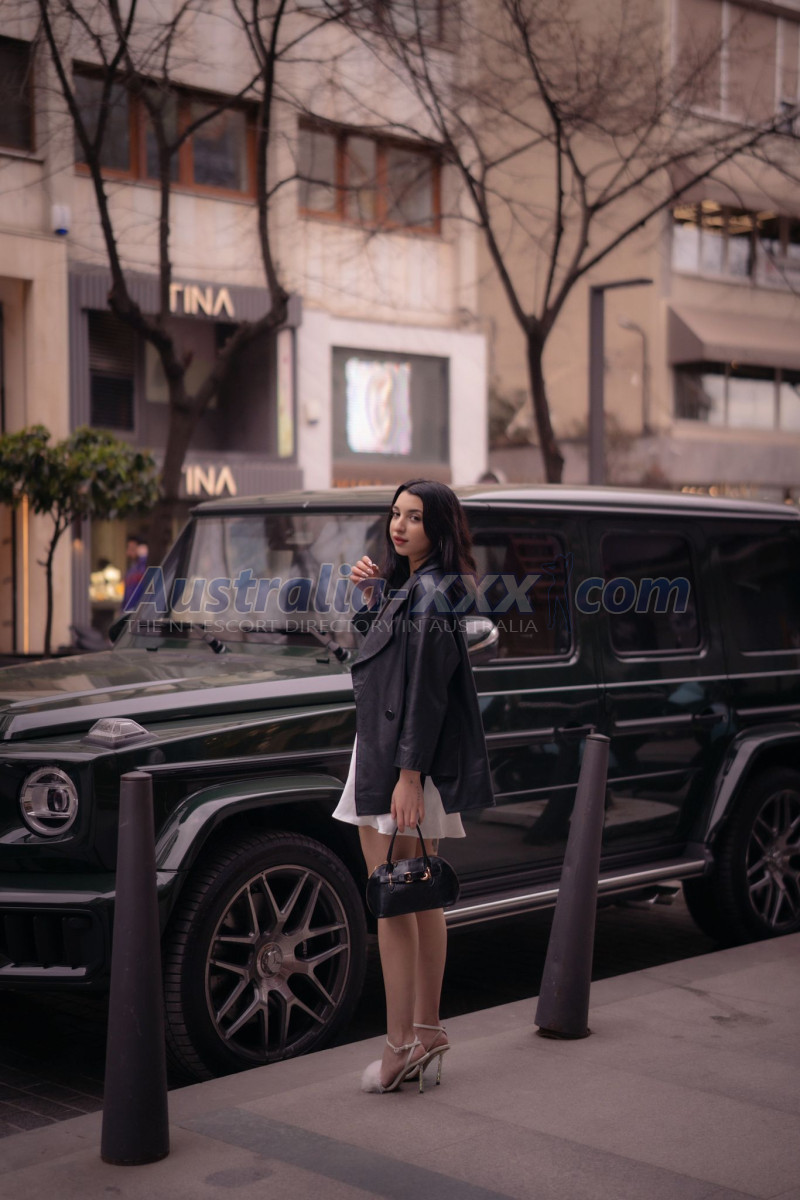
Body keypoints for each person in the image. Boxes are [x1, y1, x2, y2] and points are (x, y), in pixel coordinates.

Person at [332, 479, 495, 1093]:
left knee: (393, 899)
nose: (399, 526)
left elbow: (424, 695)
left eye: (415, 517)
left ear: (439, 527)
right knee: (418, 897)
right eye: (396, 514)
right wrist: (372, 598)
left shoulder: (429, 592)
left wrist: (406, 777)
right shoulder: (422, 586)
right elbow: (387, 661)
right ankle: (426, 1030)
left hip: (398, 762)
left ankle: (400, 1045)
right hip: (396, 756)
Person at [122, 536, 148, 611]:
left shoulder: (145, 567)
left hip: (141, 610)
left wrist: (143, 555)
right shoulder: (132, 570)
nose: (129, 553)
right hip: (129, 611)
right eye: (129, 549)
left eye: (132, 549)